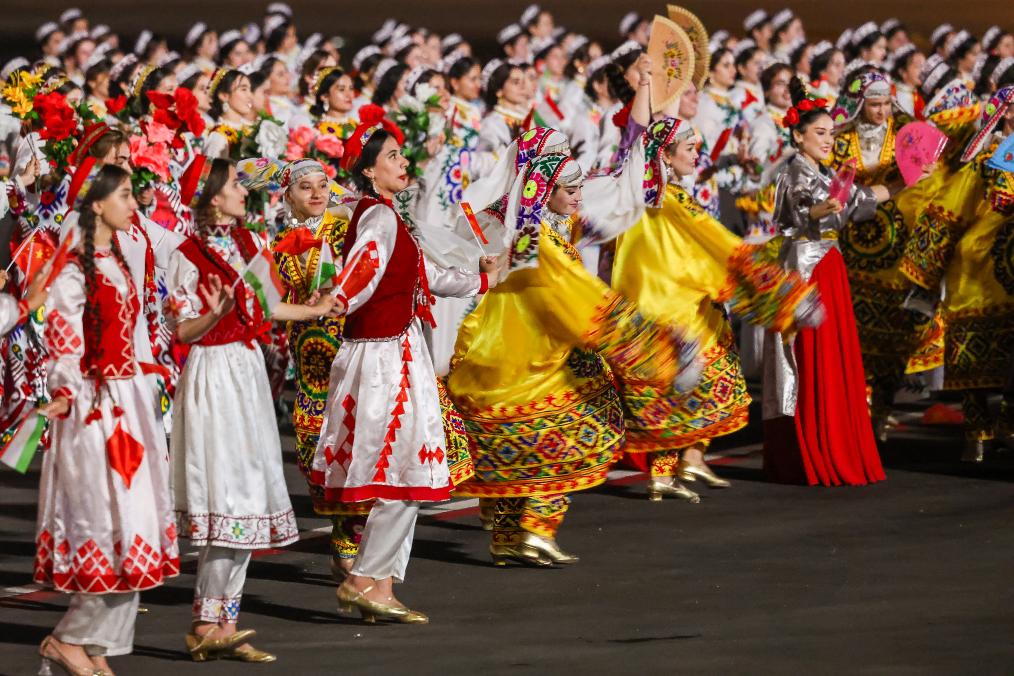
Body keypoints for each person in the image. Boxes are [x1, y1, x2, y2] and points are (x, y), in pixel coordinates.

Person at [449, 148, 701, 564]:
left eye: (581, 187)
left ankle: (508, 538)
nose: (579, 196)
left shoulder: (533, 231)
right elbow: (577, 297)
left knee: (523, 456)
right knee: (576, 435)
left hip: (511, 352)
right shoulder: (542, 242)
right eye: (570, 189)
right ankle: (536, 530)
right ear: (545, 191)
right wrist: (648, 336)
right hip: (535, 359)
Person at [309, 108, 495, 623]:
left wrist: (480, 279)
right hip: (384, 355)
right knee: (404, 468)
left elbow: (428, 274)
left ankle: (379, 585)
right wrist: (340, 298)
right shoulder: (379, 216)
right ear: (368, 170)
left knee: (409, 470)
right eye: (391, 156)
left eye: (400, 153)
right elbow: (365, 266)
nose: (402, 161)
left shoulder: (389, 214)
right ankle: (366, 580)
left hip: (399, 349)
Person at [166, 156, 338, 661]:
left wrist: (314, 309)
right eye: (234, 186)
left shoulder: (248, 244)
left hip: (245, 370)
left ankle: (223, 621)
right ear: (213, 198)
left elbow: (266, 307)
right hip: (213, 371)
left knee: (245, 494)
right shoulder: (187, 255)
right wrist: (216, 313)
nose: (244, 192)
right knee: (227, 492)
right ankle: (205, 621)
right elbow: (182, 328)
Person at [35, 165, 180, 676]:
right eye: (123, 196)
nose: (133, 205)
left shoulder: (116, 260)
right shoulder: (75, 271)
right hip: (95, 410)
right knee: (107, 525)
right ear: (96, 204)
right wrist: (66, 392)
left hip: (130, 401)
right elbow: (64, 344)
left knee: (138, 527)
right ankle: (68, 639)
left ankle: (93, 646)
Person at [762, 78, 891, 487]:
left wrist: (910, 180)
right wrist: (820, 209)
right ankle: (809, 451)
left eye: (832, 134)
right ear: (798, 136)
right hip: (804, 270)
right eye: (820, 133)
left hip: (829, 267)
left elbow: (861, 201)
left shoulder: (828, 171)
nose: (828, 140)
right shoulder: (791, 173)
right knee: (807, 362)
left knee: (831, 361)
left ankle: (834, 442)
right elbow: (799, 211)